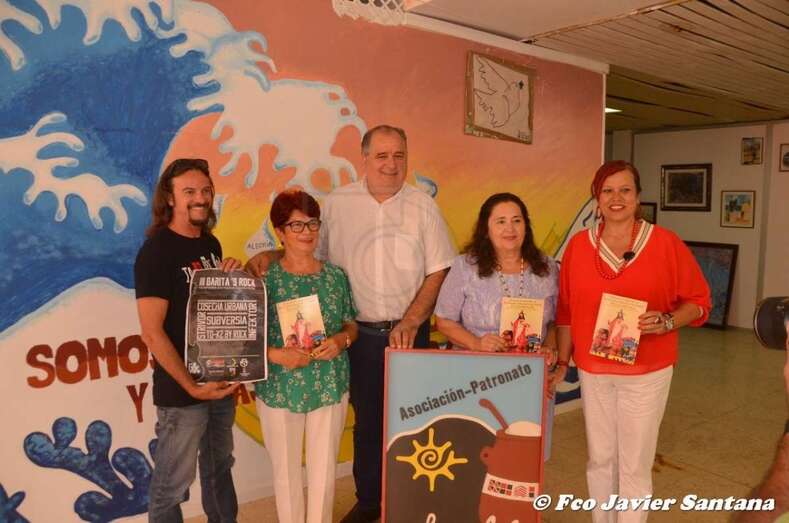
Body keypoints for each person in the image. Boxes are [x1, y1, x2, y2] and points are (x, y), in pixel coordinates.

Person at [246, 125, 455, 523]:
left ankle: (412, 502)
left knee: (415, 421)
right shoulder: (338, 204)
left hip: (410, 334)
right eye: (382, 155)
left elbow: (439, 269)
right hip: (360, 336)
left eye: (399, 155)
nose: (391, 164)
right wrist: (271, 255)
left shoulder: (423, 206)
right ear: (365, 158)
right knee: (367, 424)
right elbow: (307, 251)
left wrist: (412, 320)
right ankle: (370, 502)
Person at [551, 160, 711, 523]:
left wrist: (667, 321)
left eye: (625, 190)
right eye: (607, 191)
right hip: (594, 371)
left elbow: (699, 302)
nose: (616, 198)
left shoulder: (665, 243)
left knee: (634, 465)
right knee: (600, 459)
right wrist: (563, 361)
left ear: (638, 197)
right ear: (596, 199)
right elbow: (565, 310)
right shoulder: (579, 246)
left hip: (646, 372)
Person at [135, 158, 241, 523]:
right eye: (189, 191)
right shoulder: (156, 251)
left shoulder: (211, 243)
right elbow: (152, 332)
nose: (201, 198)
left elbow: (214, 313)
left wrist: (231, 277)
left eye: (206, 190)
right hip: (182, 393)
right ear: (169, 198)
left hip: (219, 381)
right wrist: (192, 387)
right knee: (172, 486)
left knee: (219, 468)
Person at [255, 190, 358, 523]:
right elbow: (246, 340)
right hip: (280, 386)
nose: (307, 232)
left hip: (328, 382)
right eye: (296, 225)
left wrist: (341, 340)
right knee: (285, 474)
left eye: (312, 223)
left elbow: (350, 324)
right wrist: (277, 355)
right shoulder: (263, 280)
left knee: (324, 472)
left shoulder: (335, 277)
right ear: (280, 232)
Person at [434, 192, 559, 458]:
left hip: (530, 379)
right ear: (486, 228)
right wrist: (476, 343)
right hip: (477, 380)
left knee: (525, 459)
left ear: (526, 225)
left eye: (517, 220)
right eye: (500, 221)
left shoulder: (547, 267)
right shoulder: (465, 267)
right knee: (476, 455)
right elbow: (443, 320)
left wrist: (550, 347)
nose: (509, 228)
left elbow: (555, 321)